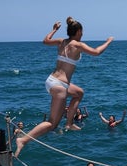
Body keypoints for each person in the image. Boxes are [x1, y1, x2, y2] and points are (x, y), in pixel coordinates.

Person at [15, 16, 113, 157]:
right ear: (78, 31)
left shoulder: (62, 41)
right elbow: (96, 52)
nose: (83, 34)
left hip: (52, 80)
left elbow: (45, 41)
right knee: (52, 124)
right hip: (59, 86)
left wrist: (54, 30)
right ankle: (23, 140)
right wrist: (108, 41)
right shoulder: (77, 45)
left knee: (79, 93)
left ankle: (69, 123)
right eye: (82, 31)